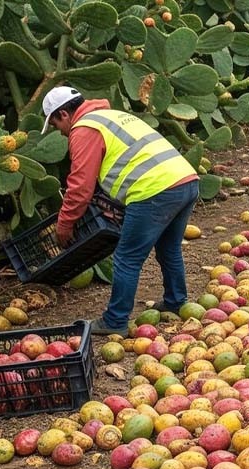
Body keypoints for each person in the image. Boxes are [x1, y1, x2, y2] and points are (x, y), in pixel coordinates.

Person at [42, 86, 200, 336]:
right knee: (169, 249)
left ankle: (115, 321)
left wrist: (65, 224)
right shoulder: (111, 116)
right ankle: (176, 301)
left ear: (63, 114)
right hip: (185, 180)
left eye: (55, 124)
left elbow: (80, 185)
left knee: (127, 258)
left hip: (154, 190)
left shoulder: (84, 128)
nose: (59, 132)